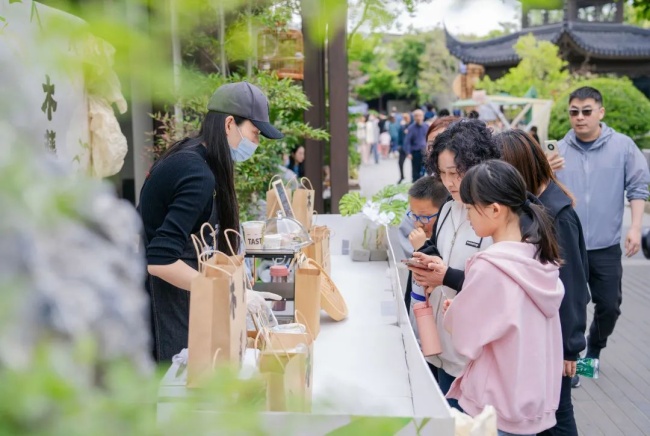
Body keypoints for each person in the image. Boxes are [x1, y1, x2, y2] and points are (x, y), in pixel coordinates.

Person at [137, 81, 283, 362]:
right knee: (178, 380)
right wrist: (227, 292)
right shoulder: (196, 172)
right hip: (166, 298)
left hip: (181, 294)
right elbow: (160, 261)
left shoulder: (195, 157)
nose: (256, 143)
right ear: (229, 124)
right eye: (255, 133)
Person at [443, 160, 565, 436]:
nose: (468, 216)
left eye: (470, 208)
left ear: (495, 210)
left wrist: (454, 312)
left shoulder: (490, 266)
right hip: (530, 403)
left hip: (495, 405)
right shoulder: (540, 259)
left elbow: (465, 339)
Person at [496, 129, 589, 436]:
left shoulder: (556, 214)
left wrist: (570, 348)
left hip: (556, 337)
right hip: (541, 334)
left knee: (558, 416)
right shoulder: (532, 205)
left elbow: (573, 286)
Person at [555, 87, 650, 386]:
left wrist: (635, 227)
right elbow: (539, 193)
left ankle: (594, 348)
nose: (579, 117)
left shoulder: (623, 146)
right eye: (574, 112)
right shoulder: (558, 151)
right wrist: (545, 172)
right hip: (567, 246)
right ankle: (574, 363)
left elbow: (638, 188)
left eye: (586, 111)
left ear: (601, 112)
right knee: (570, 307)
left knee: (609, 306)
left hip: (606, 246)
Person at [406, 119, 501, 409]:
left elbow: (497, 285)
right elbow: (444, 255)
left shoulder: (495, 214)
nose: (449, 182)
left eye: (456, 173)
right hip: (442, 345)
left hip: (474, 354)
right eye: (443, 173)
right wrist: (429, 262)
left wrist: (445, 276)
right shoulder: (447, 207)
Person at [403, 109, 428, 182]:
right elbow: (407, 141)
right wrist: (408, 153)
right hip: (415, 152)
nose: (418, 117)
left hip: (425, 152)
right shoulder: (411, 128)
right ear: (414, 117)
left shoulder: (426, 126)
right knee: (415, 172)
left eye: (420, 115)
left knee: (426, 171)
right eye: (416, 116)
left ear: (423, 116)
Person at [397, 113, 411, 184]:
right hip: (403, 147)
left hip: (409, 147)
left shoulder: (411, 126)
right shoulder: (402, 127)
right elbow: (399, 137)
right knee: (400, 162)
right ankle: (402, 176)